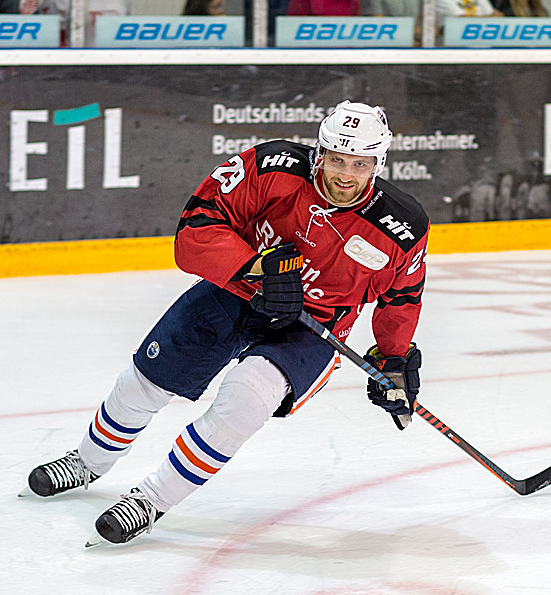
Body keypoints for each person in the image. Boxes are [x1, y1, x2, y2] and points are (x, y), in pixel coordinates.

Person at [21, 101, 430, 546]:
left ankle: (151, 501)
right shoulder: (272, 166)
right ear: (319, 152)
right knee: (146, 381)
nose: (346, 175)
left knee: (246, 400)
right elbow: (195, 228)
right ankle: (86, 463)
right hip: (236, 290)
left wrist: (393, 359)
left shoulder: (403, 227)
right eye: (336, 159)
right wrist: (256, 267)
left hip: (313, 326)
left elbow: (401, 299)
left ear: (378, 163)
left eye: (359, 164)